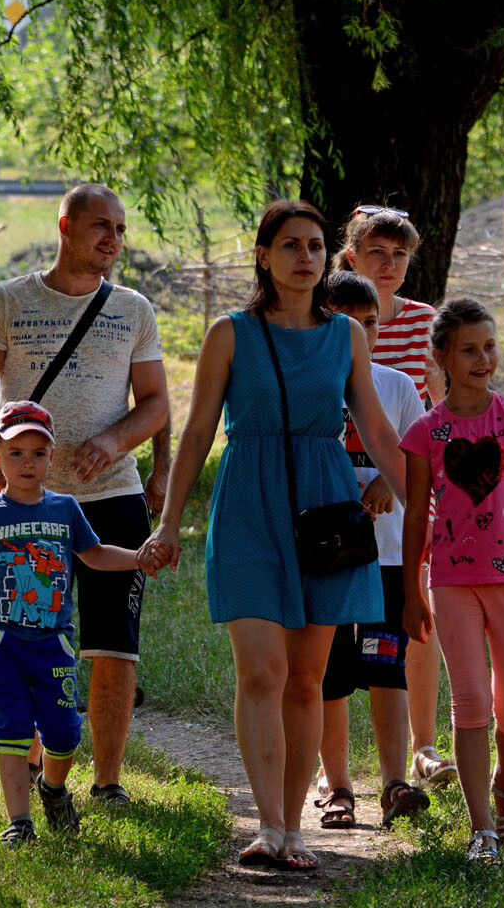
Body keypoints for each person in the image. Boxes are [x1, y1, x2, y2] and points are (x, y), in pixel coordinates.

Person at [138, 199, 407, 870]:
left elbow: (376, 428)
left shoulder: (347, 335)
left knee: (308, 678)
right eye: (290, 245)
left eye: (316, 246)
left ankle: (293, 830)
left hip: (326, 508)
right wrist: (169, 523)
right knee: (262, 669)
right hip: (248, 507)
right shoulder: (230, 333)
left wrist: (408, 490)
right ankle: (265, 825)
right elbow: (199, 430)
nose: (305, 256)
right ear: (263, 255)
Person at [0, 183, 169, 805]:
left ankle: (107, 781)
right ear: (65, 225)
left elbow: (156, 402)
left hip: (112, 495)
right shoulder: (7, 300)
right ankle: (26, 773)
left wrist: (120, 444)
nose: (112, 238)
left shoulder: (133, 308)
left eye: (120, 229)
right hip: (29, 504)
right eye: (100, 225)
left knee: (112, 644)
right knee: (26, 632)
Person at [397, 297, 504, 864]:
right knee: (470, 704)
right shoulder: (426, 431)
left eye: (489, 346)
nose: (483, 358)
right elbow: (416, 514)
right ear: (441, 355)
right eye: (469, 349)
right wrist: (411, 591)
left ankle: (503, 783)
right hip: (449, 583)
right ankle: (482, 830)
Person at [0, 401, 147, 847]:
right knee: (12, 731)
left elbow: (93, 556)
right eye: (16, 453)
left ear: (52, 457)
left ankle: (52, 788)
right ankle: (20, 822)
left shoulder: (66, 509)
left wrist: (138, 558)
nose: (28, 462)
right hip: (2, 644)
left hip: (54, 644)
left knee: (63, 734)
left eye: (38, 452)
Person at [340, 205, 456, 788]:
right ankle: (331, 769)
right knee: (336, 636)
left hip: (408, 484)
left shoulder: (423, 322)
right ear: (352, 255)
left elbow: (438, 409)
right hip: (340, 491)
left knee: (415, 611)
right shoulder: (330, 316)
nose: (389, 265)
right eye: (377, 253)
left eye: (400, 255)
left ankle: (424, 745)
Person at [313, 272, 429, 830]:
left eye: (372, 322)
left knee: (388, 669)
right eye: (350, 322)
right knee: (330, 675)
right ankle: (337, 786)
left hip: (386, 558)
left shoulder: (398, 386)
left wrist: (389, 478)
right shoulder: (311, 386)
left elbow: (414, 462)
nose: (364, 333)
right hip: (330, 558)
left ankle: (393, 782)